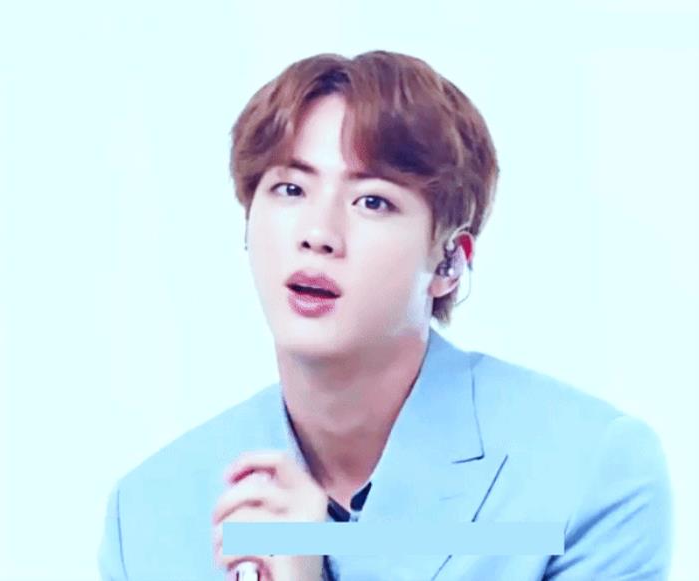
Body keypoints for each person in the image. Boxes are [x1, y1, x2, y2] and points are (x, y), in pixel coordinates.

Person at [98, 50, 673, 581]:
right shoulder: (149, 513)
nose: (318, 233)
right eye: (290, 189)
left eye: (372, 201)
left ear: (449, 261)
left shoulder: (590, 474)